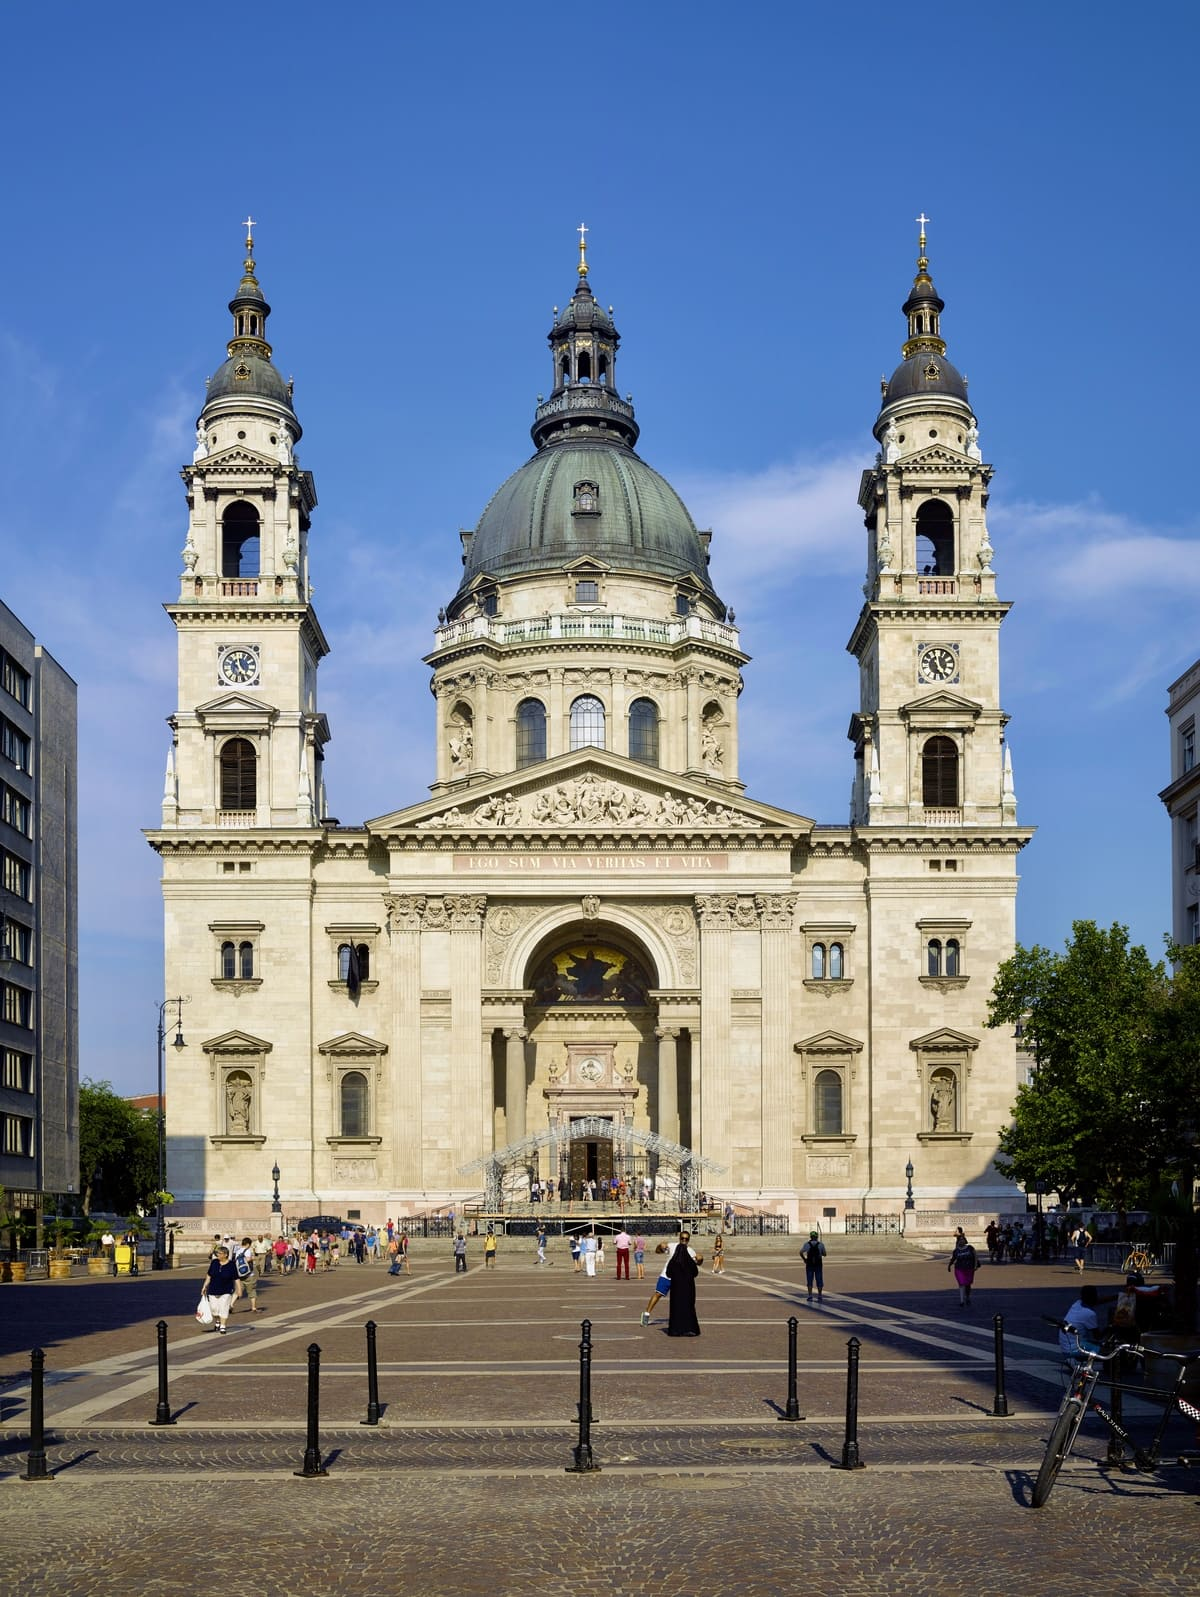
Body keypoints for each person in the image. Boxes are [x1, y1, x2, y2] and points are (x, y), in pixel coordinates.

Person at [665, 1232, 702, 1337]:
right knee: (689, 1307)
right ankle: (690, 1329)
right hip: (688, 1288)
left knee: (676, 1308)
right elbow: (695, 1273)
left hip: (676, 1289)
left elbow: (668, 1273)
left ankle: (676, 1330)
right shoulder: (690, 1261)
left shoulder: (673, 1261)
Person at [201, 1245, 238, 1334]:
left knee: (224, 1308)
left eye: (219, 1253)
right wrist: (204, 1286)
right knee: (214, 1309)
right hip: (213, 1289)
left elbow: (236, 1278)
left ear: (225, 1255)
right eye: (217, 1253)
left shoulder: (231, 1264)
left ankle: (223, 1326)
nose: (217, 1255)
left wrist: (239, 1289)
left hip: (226, 1290)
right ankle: (217, 1320)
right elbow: (209, 1275)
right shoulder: (214, 1262)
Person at [948, 1229, 978, 1306]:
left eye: (963, 1240)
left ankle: (967, 1297)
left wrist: (975, 1266)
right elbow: (953, 1259)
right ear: (958, 1242)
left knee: (968, 1284)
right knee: (961, 1284)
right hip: (959, 1269)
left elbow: (975, 1257)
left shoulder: (970, 1248)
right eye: (960, 1240)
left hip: (969, 1268)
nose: (961, 1241)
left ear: (965, 1241)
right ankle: (962, 1301)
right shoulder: (956, 1251)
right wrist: (949, 1265)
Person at [801, 1231, 825, 1302]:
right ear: (817, 1237)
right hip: (818, 1264)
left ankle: (810, 1295)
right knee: (819, 1279)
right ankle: (820, 1295)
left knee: (809, 1279)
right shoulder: (820, 1244)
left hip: (809, 1264)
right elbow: (825, 1254)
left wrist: (804, 1259)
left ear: (810, 1237)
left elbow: (800, 1252)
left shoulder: (807, 1244)